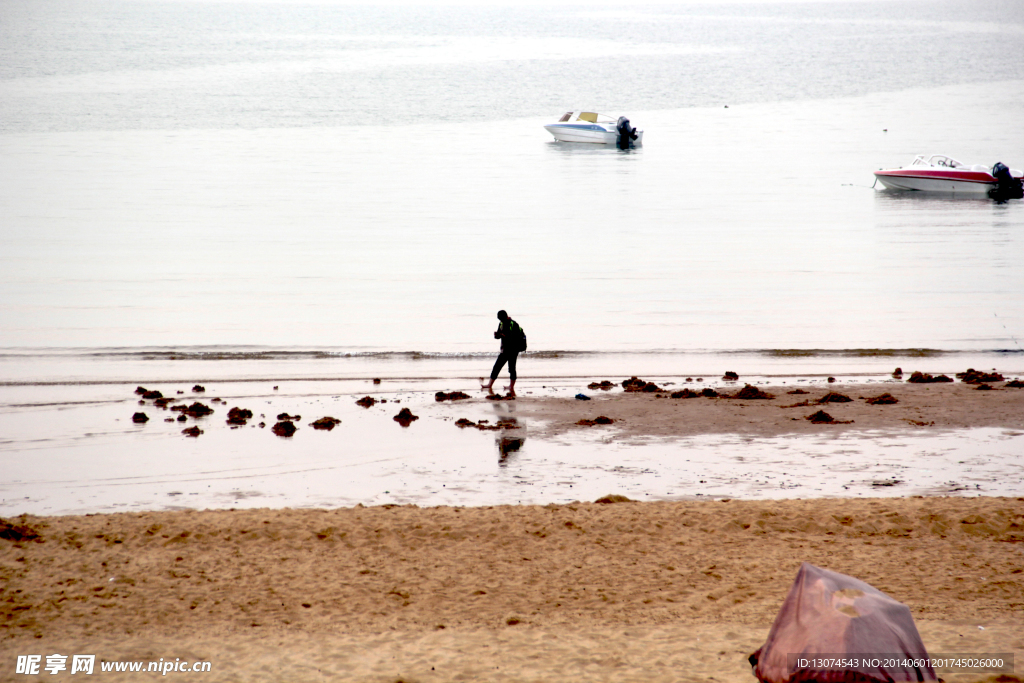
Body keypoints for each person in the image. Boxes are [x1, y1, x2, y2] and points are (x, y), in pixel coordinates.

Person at [482, 310, 525, 396]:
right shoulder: (501, 323)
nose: (501, 320)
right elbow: (500, 335)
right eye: (499, 319)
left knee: (511, 368)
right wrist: (497, 335)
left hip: (513, 350)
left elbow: (514, 337)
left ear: (505, 316)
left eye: (501, 319)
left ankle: (511, 387)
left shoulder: (513, 324)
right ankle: (490, 384)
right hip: (505, 350)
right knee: (497, 366)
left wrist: (503, 335)